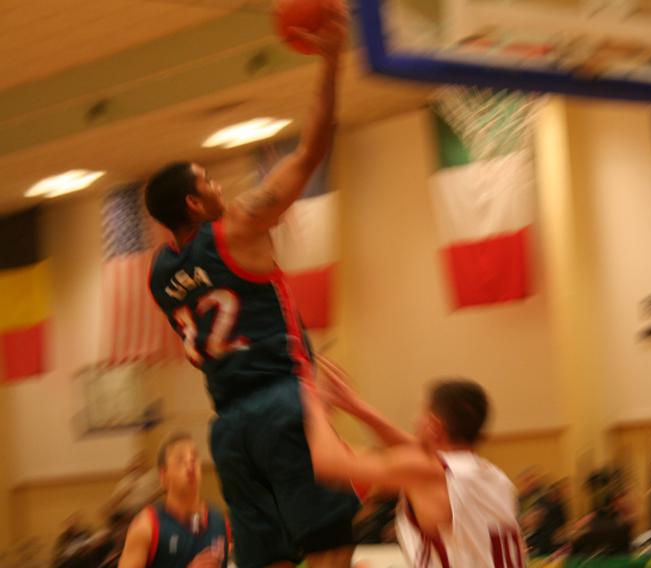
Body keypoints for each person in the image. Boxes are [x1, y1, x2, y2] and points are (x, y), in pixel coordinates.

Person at [144, 4, 359, 567]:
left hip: (230, 429)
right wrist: (332, 61)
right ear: (195, 203)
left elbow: (197, 355)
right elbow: (312, 150)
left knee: (268, 559)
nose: (219, 185)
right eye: (207, 181)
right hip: (283, 402)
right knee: (331, 543)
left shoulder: (158, 275)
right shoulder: (236, 226)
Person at [305, 356, 526, 568]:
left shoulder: (425, 470)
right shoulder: (488, 473)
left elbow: (329, 463)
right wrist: (357, 408)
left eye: (421, 414)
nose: (415, 421)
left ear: (434, 426)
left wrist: (316, 406)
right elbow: (413, 448)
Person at [118, 433, 230, 568]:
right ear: (164, 476)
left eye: (194, 457)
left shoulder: (220, 522)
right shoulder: (146, 526)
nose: (190, 463)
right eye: (180, 459)